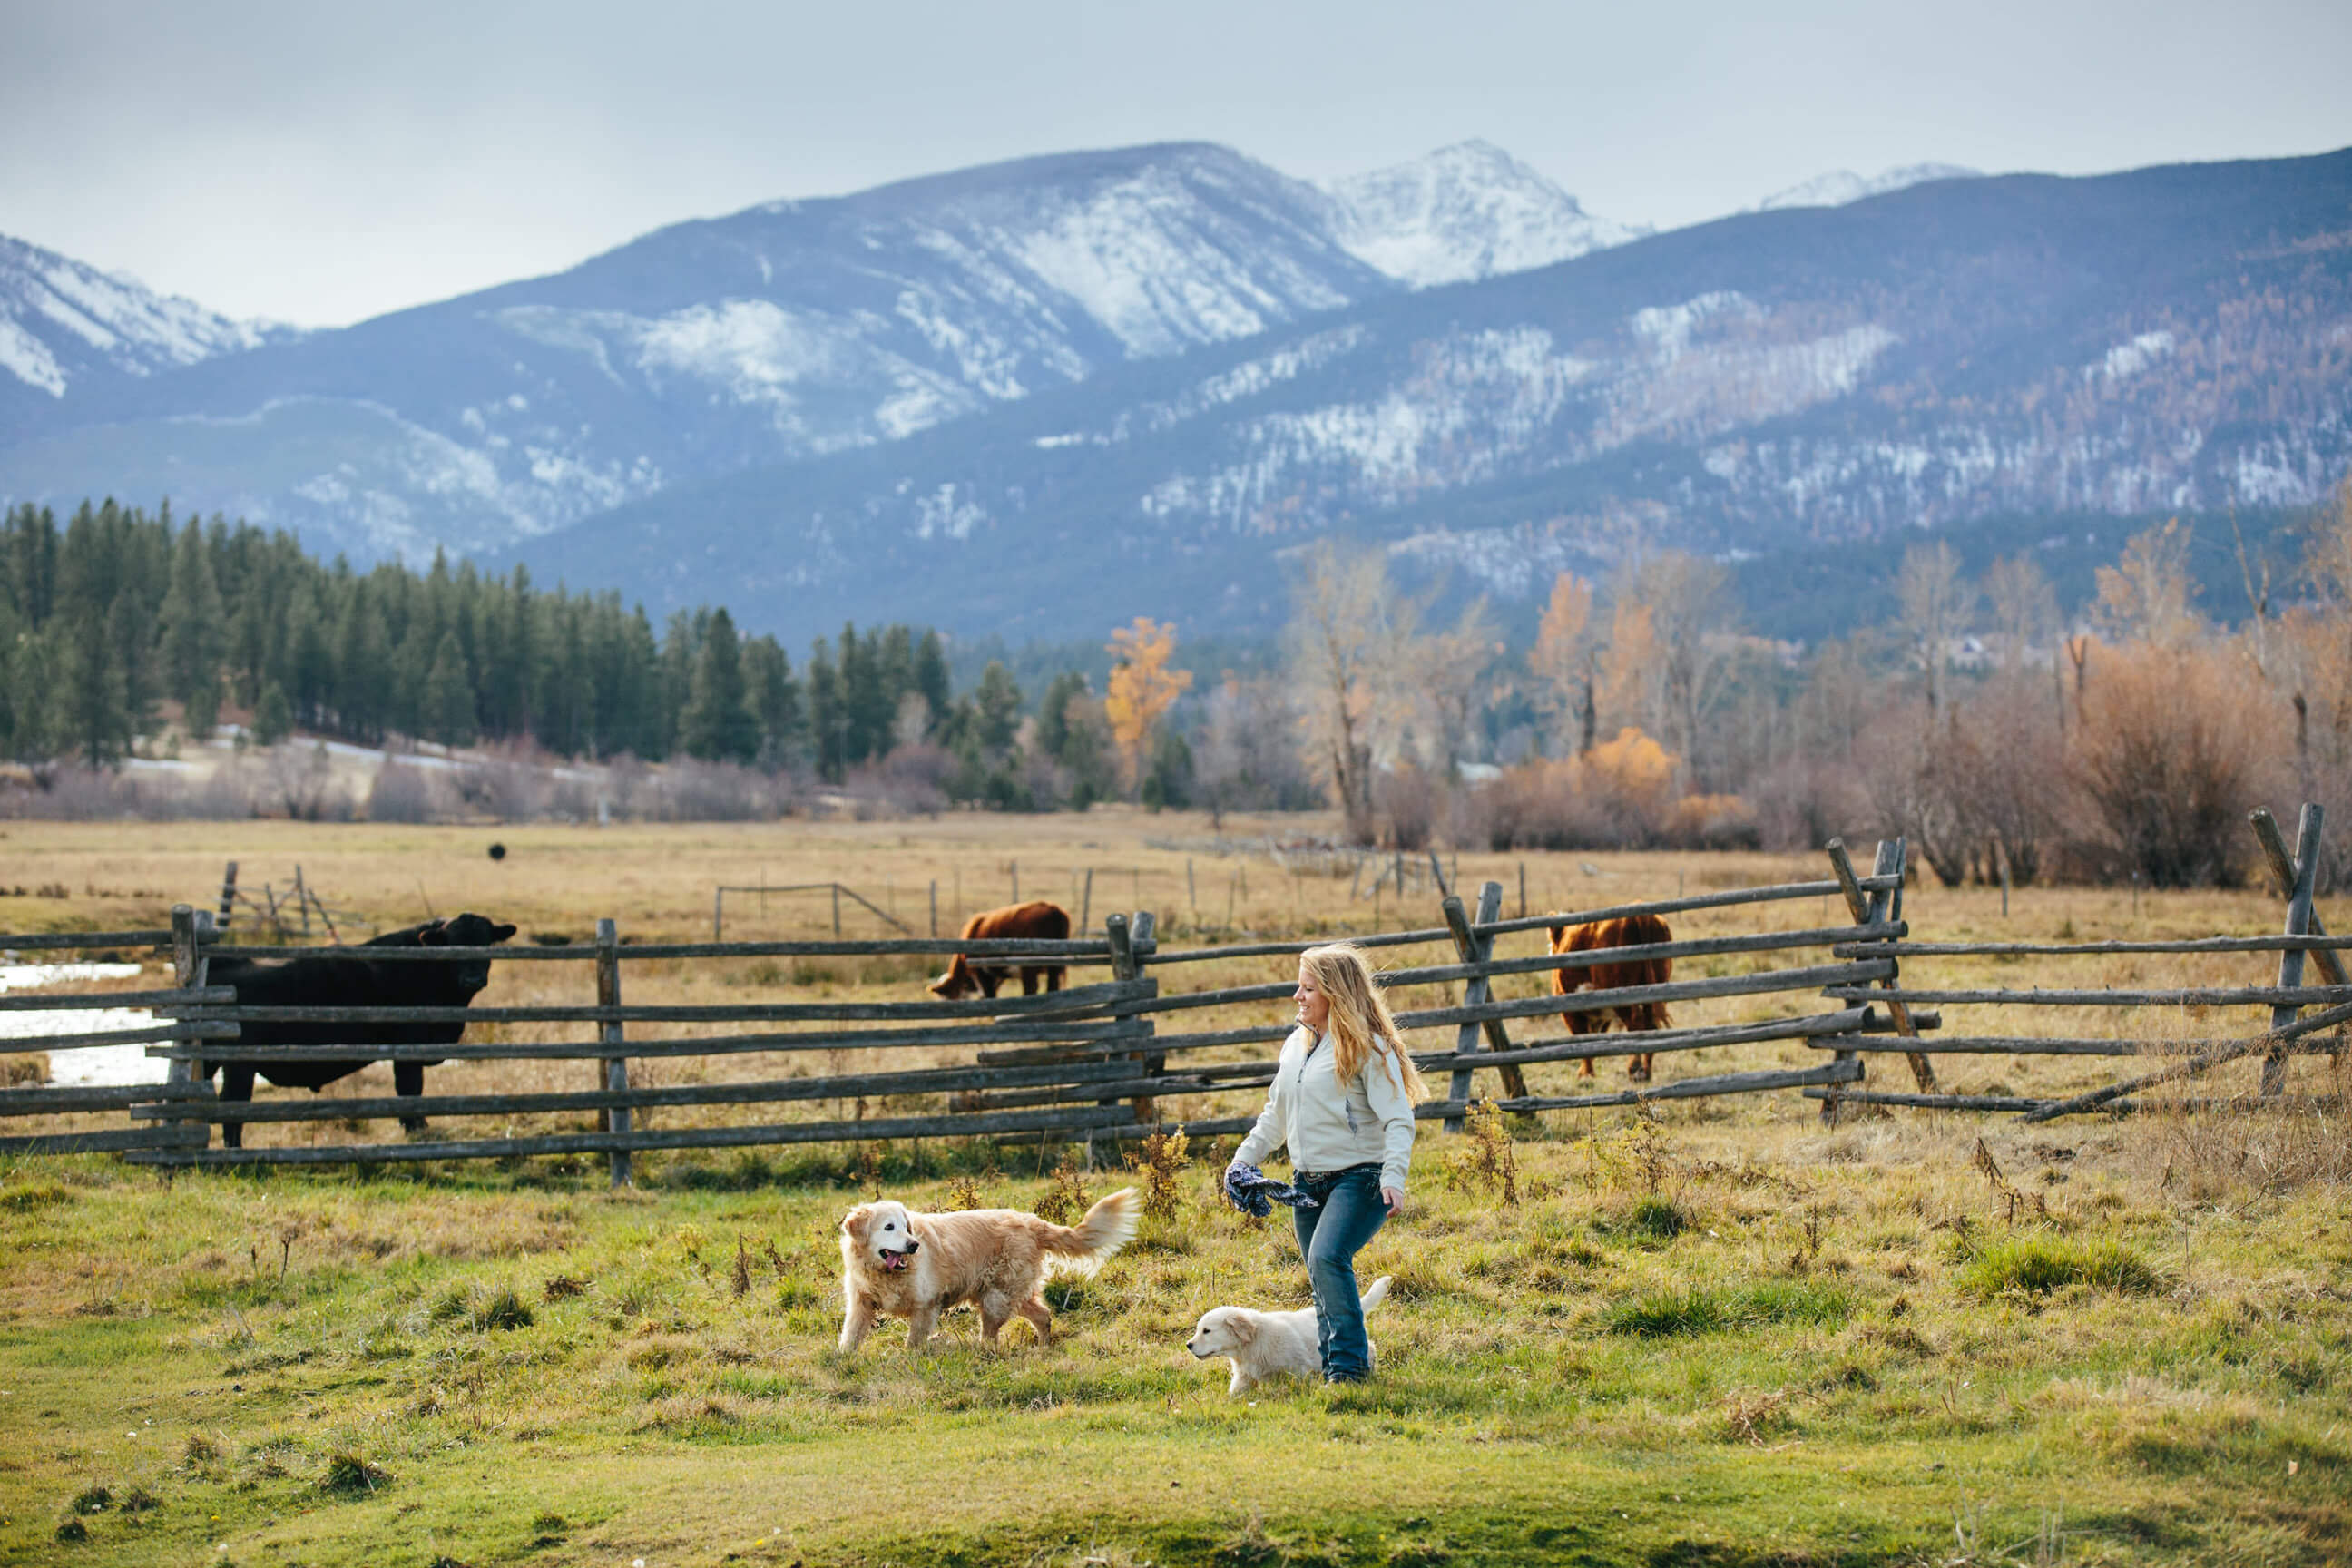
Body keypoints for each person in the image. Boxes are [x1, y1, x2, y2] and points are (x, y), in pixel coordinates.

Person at [1228, 942, 1425, 1384]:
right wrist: (1241, 1162)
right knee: (1321, 1277)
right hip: (1306, 1183)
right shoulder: (1295, 1046)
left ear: (1334, 994)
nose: (1298, 996)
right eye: (1299, 987)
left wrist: (1393, 1176)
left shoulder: (1370, 1049)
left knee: (1327, 1258)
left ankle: (1350, 1371)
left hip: (1361, 1178)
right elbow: (1274, 1116)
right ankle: (1330, 1362)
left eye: (1308, 988)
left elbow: (1398, 1118)